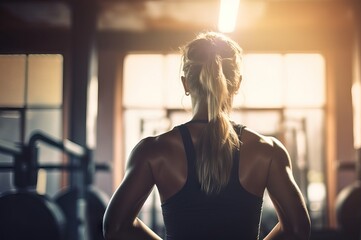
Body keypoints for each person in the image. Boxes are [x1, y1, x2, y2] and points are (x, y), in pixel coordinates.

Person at [103, 31, 311, 240]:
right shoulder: (267, 150)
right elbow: (298, 230)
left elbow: (115, 227)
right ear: (237, 83)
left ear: (186, 83)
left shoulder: (153, 151)